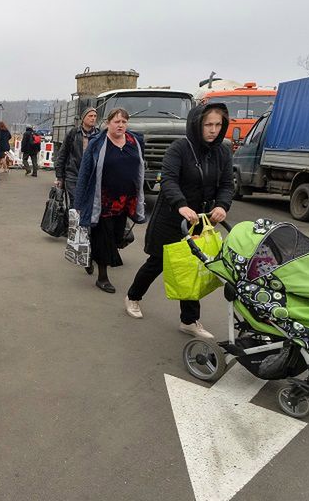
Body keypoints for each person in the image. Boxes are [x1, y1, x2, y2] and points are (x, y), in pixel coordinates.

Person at [125, 102, 233, 340]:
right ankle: (133, 296)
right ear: (197, 125)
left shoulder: (223, 152)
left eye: (218, 125)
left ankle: (189, 320)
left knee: (193, 268)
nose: (213, 130)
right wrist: (182, 204)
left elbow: (226, 185)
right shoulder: (179, 148)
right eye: (208, 125)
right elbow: (169, 181)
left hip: (199, 221)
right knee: (158, 263)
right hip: (172, 218)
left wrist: (222, 206)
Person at [73, 108, 146, 293]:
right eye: (117, 122)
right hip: (102, 199)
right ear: (108, 123)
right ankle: (102, 278)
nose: (121, 125)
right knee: (104, 238)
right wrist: (79, 202)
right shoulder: (97, 144)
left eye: (124, 122)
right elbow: (85, 172)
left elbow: (139, 168)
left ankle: (90, 256)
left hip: (125, 200)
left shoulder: (135, 141)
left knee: (116, 237)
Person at [54, 107, 99, 203]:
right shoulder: (73, 133)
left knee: (88, 205)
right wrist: (59, 177)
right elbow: (62, 155)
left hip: (91, 177)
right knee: (75, 203)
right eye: (90, 116)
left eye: (95, 116)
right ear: (83, 118)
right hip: (73, 176)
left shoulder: (99, 135)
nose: (93, 118)